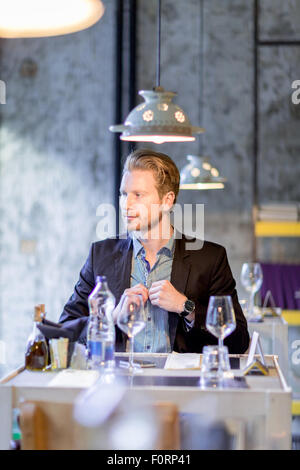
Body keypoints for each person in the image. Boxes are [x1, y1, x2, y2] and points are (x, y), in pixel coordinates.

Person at [59, 148, 249, 354]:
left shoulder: (210, 258)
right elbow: (65, 332)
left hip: (180, 385)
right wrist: (111, 318)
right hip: (118, 382)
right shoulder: (100, 255)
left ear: (167, 201)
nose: (126, 204)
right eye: (123, 194)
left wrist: (187, 308)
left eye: (138, 195)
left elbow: (238, 341)